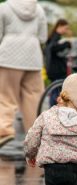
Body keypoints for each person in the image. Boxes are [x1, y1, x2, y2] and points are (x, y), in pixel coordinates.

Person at [0, 0, 48, 148]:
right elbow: (43, 37)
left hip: (9, 57)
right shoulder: (38, 9)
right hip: (33, 57)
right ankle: (35, 135)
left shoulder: (4, 7)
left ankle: (4, 131)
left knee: (6, 96)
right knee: (34, 98)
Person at [44, 19, 72, 107]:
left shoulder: (51, 37)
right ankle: (54, 111)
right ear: (59, 26)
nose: (66, 30)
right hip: (57, 69)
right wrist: (67, 44)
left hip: (51, 68)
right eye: (65, 28)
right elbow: (54, 48)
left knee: (54, 91)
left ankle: (52, 110)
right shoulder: (56, 37)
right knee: (57, 93)